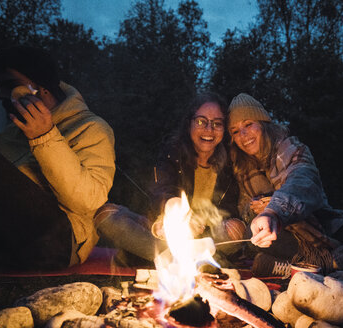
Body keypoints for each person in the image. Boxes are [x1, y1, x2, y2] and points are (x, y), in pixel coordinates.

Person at [228, 93, 343, 276]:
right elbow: (243, 208)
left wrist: (273, 210)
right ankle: (331, 264)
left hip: (326, 233)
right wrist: (252, 212)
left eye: (248, 124)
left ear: (263, 124)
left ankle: (320, 264)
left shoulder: (292, 149)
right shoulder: (241, 169)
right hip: (287, 242)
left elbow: (302, 180)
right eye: (235, 131)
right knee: (249, 236)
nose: (243, 135)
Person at [0, 46, 115, 270]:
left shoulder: (90, 128)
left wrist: (44, 138)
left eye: (9, 85)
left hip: (59, 243)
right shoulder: (8, 137)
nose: (0, 95)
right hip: (10, 240)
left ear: (40, 88)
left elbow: (90, 200)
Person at [94, 92, 242, 265]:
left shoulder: (230, 162)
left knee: (234, 234)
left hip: (209, 239)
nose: (209, 129)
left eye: (217, 124)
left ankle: (160, 258)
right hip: (169, 232)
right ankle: (203, 262)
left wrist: (219, 224)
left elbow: (230, 208)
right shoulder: (173, 153)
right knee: (106, 217)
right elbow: (162, 191)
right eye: (201, 121)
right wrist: (173, 212)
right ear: (189, 124)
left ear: (224, 130)